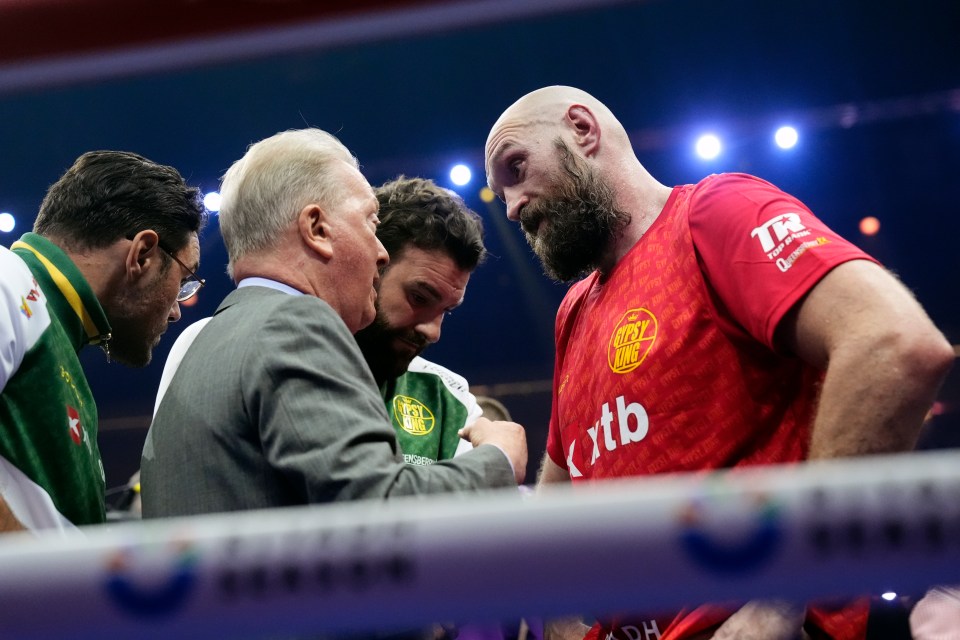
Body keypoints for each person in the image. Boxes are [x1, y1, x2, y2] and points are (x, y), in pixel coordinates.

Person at [484, 86, 954, 640]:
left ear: (583, 130)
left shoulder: (712, 214)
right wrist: (556, 614)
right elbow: (565, 472)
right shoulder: (573, 311)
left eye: (516, 168)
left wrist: (783, 595)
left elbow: (894, 343)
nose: (512, 207)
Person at [141, 129, 527, 519]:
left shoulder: (209, 340)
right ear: (317, 229)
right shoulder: (298, 324)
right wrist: (498, 458)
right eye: (370, 224)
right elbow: (378, 508)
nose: (379, 253)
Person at [0, 150, 205, 534]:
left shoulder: (57, 341)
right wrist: (39, 589)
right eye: (184, 279)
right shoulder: (7, 280)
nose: (177, 311)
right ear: (142, 254)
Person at [354, 176, 488, 466]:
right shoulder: (285, 366)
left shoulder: (449, 399)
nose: (433, 331)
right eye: (419, 297)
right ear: (371, 265)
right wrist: (498, 458)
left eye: (446, 311)